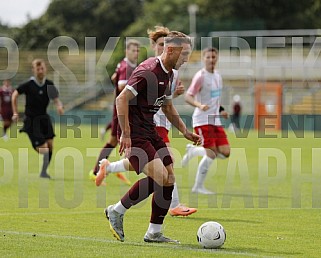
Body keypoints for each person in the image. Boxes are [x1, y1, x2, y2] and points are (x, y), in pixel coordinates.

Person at [100, 31, 200, 243]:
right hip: (134, 132)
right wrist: (125, 134)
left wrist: (185, 131)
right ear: (171, 50)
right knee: (161, 178)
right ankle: (116, 210)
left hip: (150, 130)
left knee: (169, 179)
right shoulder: (149, 71)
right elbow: (121, 99)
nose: (186, 60)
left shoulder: (170, 75)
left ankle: (154, 232)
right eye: (184, 54)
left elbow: (168, 106)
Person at [89, 39, 141, 185]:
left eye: (138, 50)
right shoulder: (127, 66)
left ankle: (110, 169)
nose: (136, 53)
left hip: (123, 109)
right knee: (120, 140)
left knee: (116, 141)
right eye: (133, 50)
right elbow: (121, 85)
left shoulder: (125, 65)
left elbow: (114, 77)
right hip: (121, 109)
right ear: (126, 51)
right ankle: (102, 170)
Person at [184, 47, 230, 194]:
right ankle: (198, 187)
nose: (211, 60)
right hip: (202, 120)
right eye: (208, 57)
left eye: (213, 57)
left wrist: (221, 110)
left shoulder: (218, 76)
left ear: (217, 58)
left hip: (215, 120)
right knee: (211, 154)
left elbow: (214, 99)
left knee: (225, 152)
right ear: (203, 59)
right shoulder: (200, 76)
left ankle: (194, 151)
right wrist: (199, 105)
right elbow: (188, 96)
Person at [11, 59, 64, 178]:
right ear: (33, 70)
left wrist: (59, 106)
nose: (40, 71)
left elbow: (56, 99)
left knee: (50, 145)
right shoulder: (29, 84)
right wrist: (15, 112)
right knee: (44, 149)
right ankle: (38, 147)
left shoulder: (49, 84)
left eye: (42, 68)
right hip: (31, 120)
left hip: (44, 119)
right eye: (38, 69)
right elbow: (15, 94)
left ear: (45, 69)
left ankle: (44, 172)